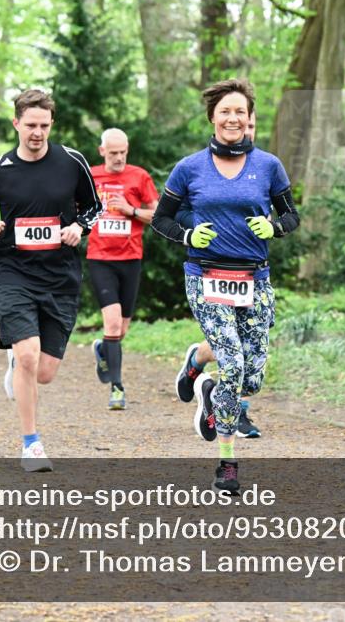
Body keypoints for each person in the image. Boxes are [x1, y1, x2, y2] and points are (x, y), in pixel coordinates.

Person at [152, 79, 299, 494]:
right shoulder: (190, 168)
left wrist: (274, 227)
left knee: (251, 379)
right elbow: (162, 218)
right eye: (225, 111)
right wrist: (188, 235)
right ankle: (227, 464)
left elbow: (291, 216)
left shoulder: (268, 166)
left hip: (255, 278)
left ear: (249, 118)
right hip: (206, 276)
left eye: (240, 112)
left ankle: (206, 381)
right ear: (212, 117)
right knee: (233, 364)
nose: (233, 118)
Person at [0, 89, 101, 472]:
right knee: (28, 357)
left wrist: (78, 227)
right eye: (31, 125)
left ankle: (18, 365)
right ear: (16, 123)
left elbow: (94, 208)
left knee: (45, 374)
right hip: (15, 275)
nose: (37, 133)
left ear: (52, 125)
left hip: (61, 278)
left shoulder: (72, 162)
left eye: (44, 126)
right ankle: (31, 444)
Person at [174, 112, 261, 438]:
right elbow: (178, 211)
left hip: (252, 271)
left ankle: (197, 360)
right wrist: (197, 228)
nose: (244, 130)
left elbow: (281, 213)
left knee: (249, 347)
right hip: (211, 270)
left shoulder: (265, 167)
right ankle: (234, 411)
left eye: (251, 125)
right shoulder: (202, 168)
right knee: (232, 347)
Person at [87, 128, 159, 410]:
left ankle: (103, 349)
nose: (118, 158)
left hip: (130, 259)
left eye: (123, 152)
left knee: (122, 329)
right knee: (113, 323)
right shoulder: (90, 176)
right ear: (102, 151)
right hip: (100, 258)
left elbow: (157, 215)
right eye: (113, 153)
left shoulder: (139, 176)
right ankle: (117, 389)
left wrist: (131, 210)